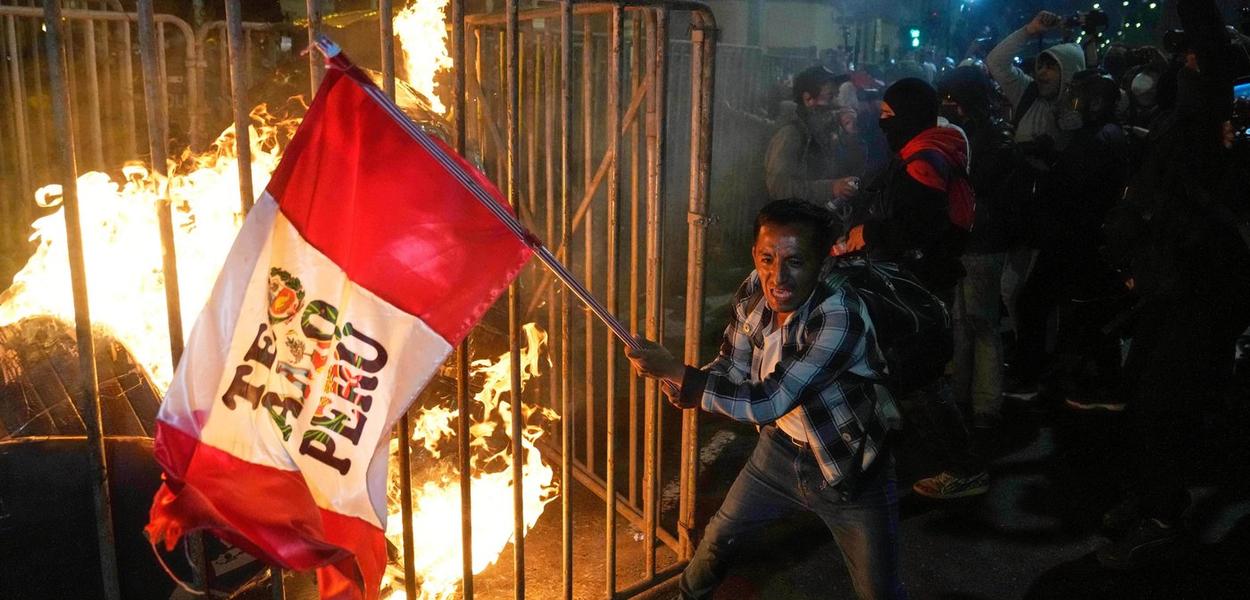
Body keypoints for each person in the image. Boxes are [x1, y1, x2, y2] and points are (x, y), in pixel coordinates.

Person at [625, 199, 905, 600]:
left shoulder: (840, 315)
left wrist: (681, 375)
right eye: (767, 259)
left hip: (848, 466)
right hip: (779, 451)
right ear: (755, 254)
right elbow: (732, 365)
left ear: (823, 264)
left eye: (796, 262)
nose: (778, 277)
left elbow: (770, 400)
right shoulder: (755, 288)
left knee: (879, 591)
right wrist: (681, 380)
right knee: (718, 539)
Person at [845, 77, 986, 500]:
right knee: (901, 368)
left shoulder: (925, 160)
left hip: (919, 283)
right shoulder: (932, 147)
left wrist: (870, 232)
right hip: (919, 279)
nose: (882, 123)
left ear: (908, 117)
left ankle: (964, 468)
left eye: (888, 116)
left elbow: (918, 226)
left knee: (921, 376)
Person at [937, 66, 1017, 431]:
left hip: (982, 240)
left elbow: (977, 185)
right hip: (970, 237)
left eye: (952, 99)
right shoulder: (986, 131)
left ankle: (985, 403)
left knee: (981, 322)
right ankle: (963, 396)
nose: (948, 106)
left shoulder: (989, 137)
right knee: (962, 320)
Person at [765, 66, 864, 208]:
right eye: (831, 96)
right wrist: (831, 188)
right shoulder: (790, 134)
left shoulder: (825, 132)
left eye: (837, 94)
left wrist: (851, 134)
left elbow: (852, 168)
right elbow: (779, 188)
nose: (837, 104)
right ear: (808, 99)